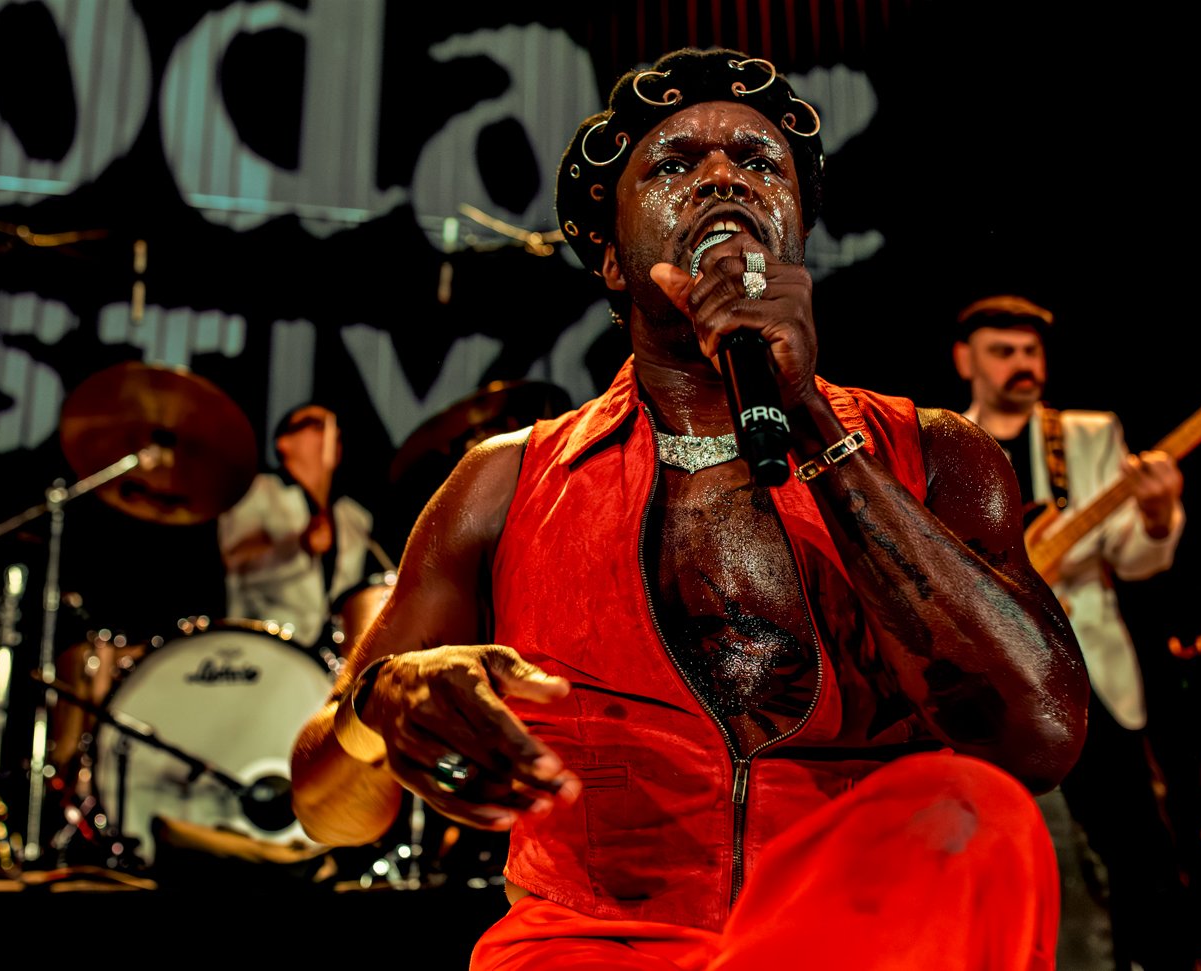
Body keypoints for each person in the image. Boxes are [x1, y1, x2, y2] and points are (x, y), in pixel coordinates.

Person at [292, 49, 1089, 970]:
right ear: (610, 256)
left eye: (758, 161)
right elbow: (325, 808)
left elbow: (1040, 739)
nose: (722, 177)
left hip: (863, 938)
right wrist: (377, 703)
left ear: (797, 230)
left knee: (981, 816)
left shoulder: (937, 454)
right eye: (673, 164)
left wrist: (811, 418)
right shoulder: (503, 484)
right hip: (594, 949)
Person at [951, 295, 1194, 971]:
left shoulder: (1088, 434)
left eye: (1031, 351)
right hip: (997, 678)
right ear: (966, 360)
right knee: (1007, 842)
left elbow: (1132, 557)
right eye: (1003, 351)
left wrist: (1156, 516)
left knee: (1135, 839)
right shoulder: (947, 441)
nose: (1022, 363)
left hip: (1088, 669)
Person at [218, 402, 378, 651]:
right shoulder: (257, 491)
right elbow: (239, 562)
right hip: (264, 645)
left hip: (331, 657)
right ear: (283, 443)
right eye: (317, 425)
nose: (331, 433)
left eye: (335, 430)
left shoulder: (355, 517)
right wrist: (298, 546)